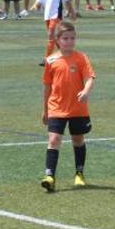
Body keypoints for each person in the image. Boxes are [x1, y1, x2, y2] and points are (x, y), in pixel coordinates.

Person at [40, 21, 95, 192]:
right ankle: (50, 176)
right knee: (54, 140)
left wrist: (85, 91)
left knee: (78, 140)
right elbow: (47, 87)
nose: (69, 41)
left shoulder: (81, 58)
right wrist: (45, 110)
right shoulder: (51, 61)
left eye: (72, 38)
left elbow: (90, 77)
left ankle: (79, 173)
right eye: (65, 38)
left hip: (78, 108)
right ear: (57, 40)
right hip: (56, 107)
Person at [32, 0, 75, 64]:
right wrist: (35, 6)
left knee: (51, 35)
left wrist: (72, 12)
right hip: (47, 16)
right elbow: (39, 0)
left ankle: (46, 59)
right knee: (55, 38)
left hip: (56, 16)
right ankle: (67, 54)